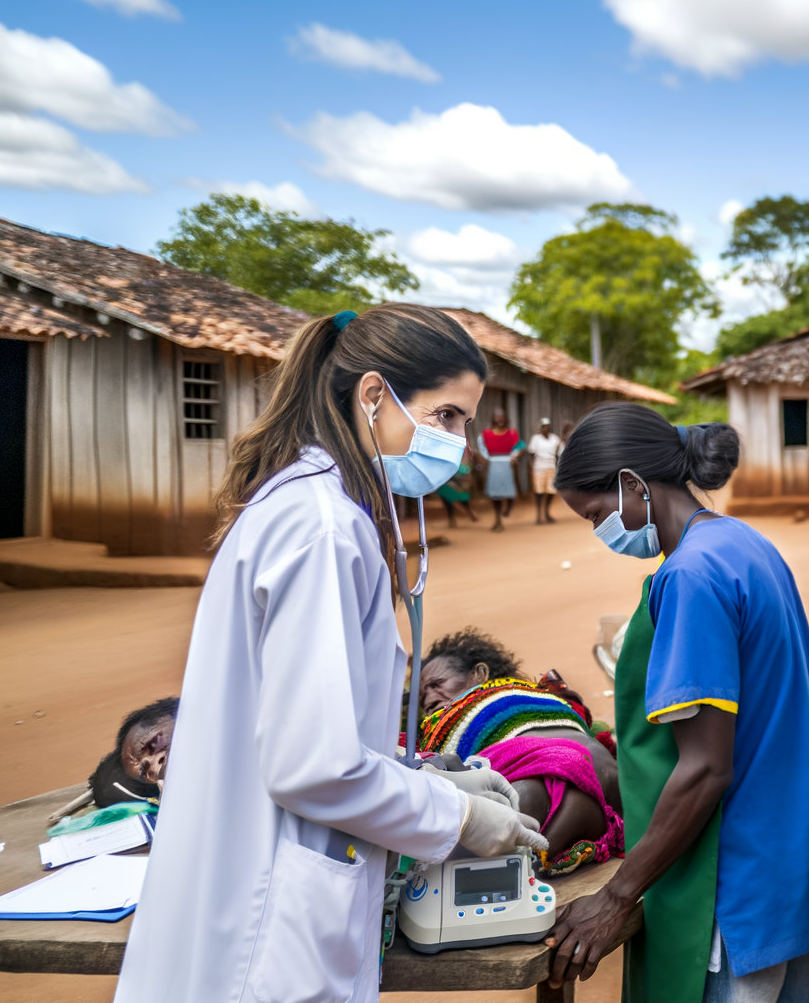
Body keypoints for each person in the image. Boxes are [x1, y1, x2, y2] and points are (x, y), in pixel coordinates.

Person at [115, 304, 546, 1003]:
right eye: (445, 416)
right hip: (268, 927)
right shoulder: (323, 528)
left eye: (465, 422)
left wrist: (434, 783)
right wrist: (456, 817)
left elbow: (312, 733)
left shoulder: (313, 508)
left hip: (256, 886)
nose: (460, 443)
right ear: (373, 395)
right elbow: (313, 767)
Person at [545, 403, 809, 1003]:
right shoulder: (740, 542)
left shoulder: (689, 576)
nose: (599, 532)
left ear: (633, 485)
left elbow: (705, 768)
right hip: (787, 858)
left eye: (595, 514)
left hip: (734, 876)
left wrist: (616, 896)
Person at [417, 629, 622, 875]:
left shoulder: (506, 696)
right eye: (422, 697)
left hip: (553, 778)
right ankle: (573, 819)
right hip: (609, 777)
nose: (428, 698)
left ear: (479, 674)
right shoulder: (544, 695)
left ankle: (552, 837)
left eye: (436, 684)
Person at [479, 407, 524, 532]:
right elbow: (482, 447)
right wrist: (487, 458)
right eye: (497, 416)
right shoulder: (486, 434)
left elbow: (518, 446)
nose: (499, 419)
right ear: (493, 419)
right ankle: (498, 519)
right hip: (494, 465)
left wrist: (514, 456)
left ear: (505, 418)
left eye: (502, 416)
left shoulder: (512, 433)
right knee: (495, 494)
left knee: (510, 493)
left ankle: (507, 510)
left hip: (507, 464)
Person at [529, 418, 564, 524]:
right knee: (539, 492)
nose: (545, 428)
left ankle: (546, 512)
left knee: (551, 491)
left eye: (547, 426)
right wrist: (531, 469)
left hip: (551, 467)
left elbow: (561, 449)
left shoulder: (554, 438)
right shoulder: (536, 439)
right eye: (543, 426)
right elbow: (531, 455)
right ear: (540, 428)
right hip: (539, 468)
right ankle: (539, 515)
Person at [437, 444, 479, 528]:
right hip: (453, 479)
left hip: (458, 479)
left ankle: (455, 517)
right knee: (448, 495)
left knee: (451, 496)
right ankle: (464, 513)